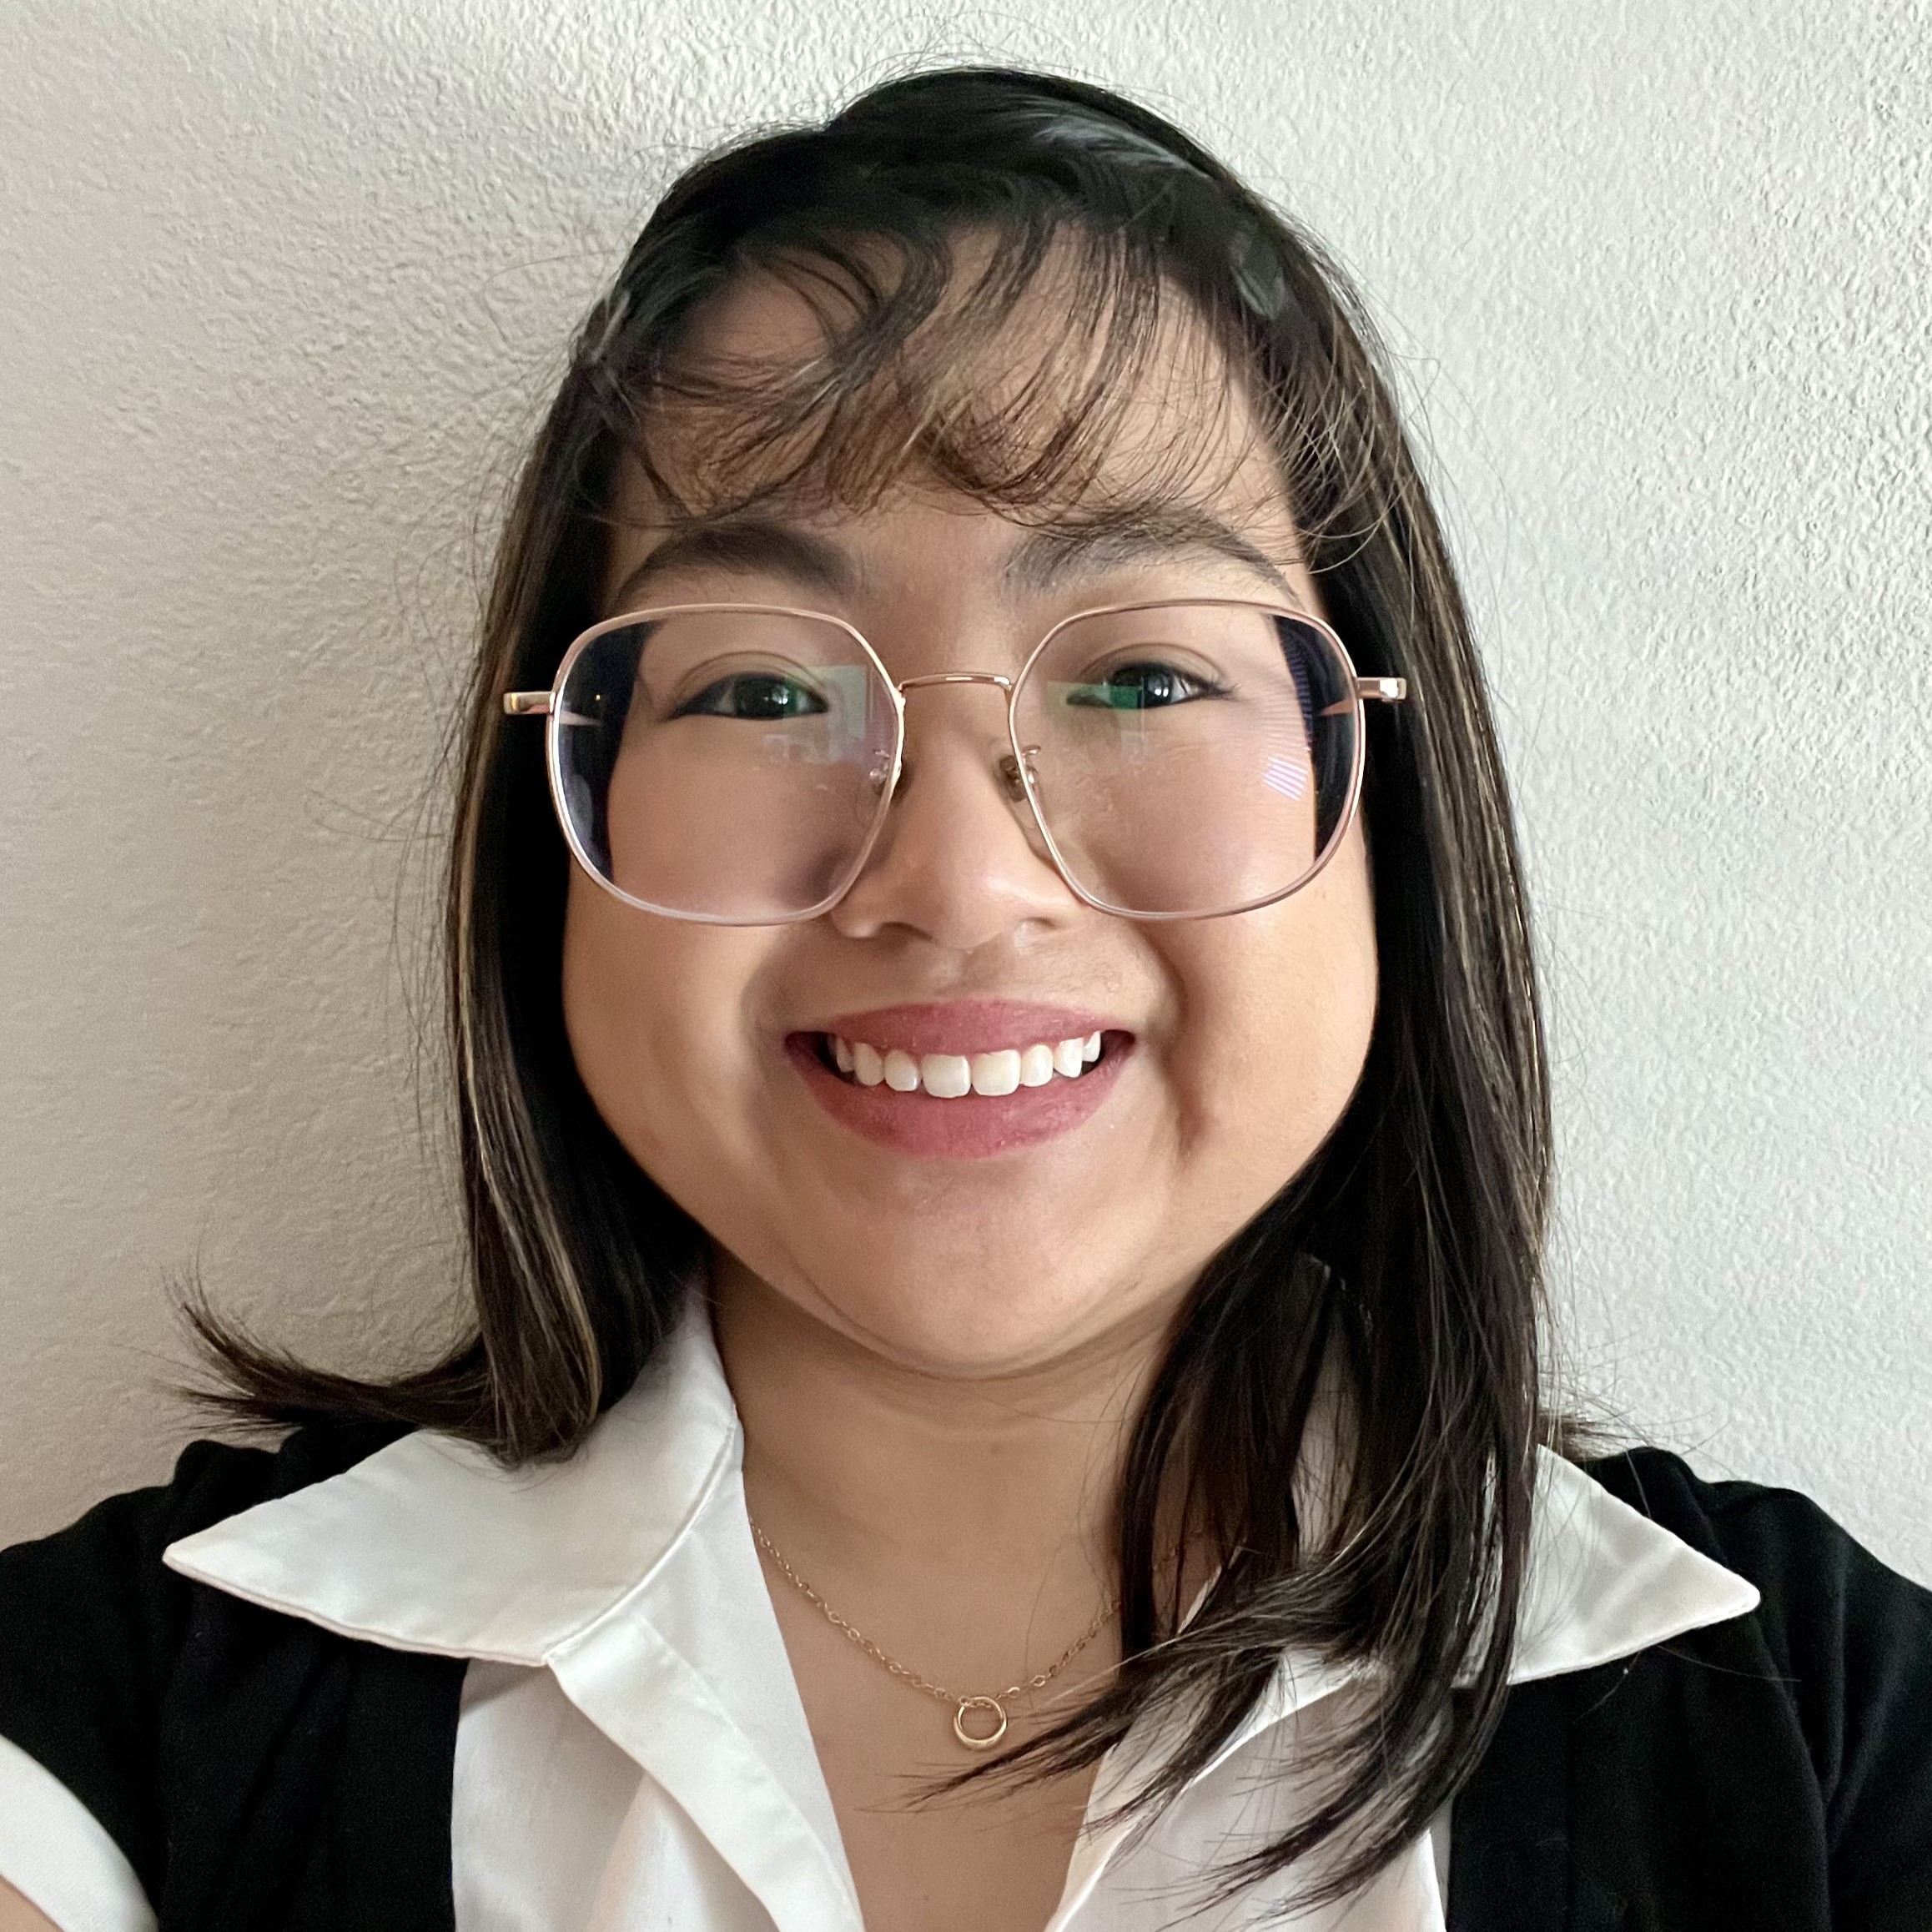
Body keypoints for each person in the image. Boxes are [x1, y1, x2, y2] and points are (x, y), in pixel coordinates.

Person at [0, 63, 1926, 1932]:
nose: (953, 881)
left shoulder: (1826, 1739)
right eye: (757, 689)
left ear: (1383, 801)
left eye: (1147, 677)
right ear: (555, 830)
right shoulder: (114, 1731)